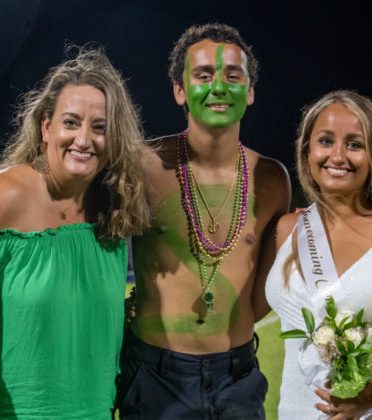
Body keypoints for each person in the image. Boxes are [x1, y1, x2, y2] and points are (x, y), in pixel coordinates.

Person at [0, 46, 151, 419]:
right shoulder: (3, 198)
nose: (84, 140)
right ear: (46, 127)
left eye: (99, 128)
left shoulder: (111, 211)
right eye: (71, 122)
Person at [116, 23, 291, 419]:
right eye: (203, 75)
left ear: (249, 91)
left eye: (233, 76)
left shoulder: (272, 178)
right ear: (180, 89)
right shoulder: (145, 166)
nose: (219, 86)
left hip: (238, 375)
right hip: (156, 374)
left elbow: (264, 287)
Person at [262, 90, 372, 419]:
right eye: (325, 141)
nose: (338, 156)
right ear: (307, 150)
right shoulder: (288, 228)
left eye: (355, 145)